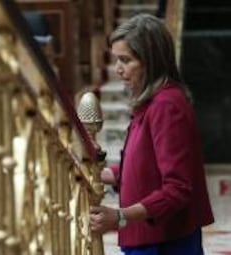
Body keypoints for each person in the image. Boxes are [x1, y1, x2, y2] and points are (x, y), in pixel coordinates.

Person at [89, 13, 214, 255]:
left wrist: (120, 217)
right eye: (117, 60)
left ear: (150, 61)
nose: (118, 69)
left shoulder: (166, 106)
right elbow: (148, 164)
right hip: (151, 237)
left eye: (125, 60)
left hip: (165, 242)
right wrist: (110, 174)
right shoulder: (151, 102)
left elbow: (177, 188)